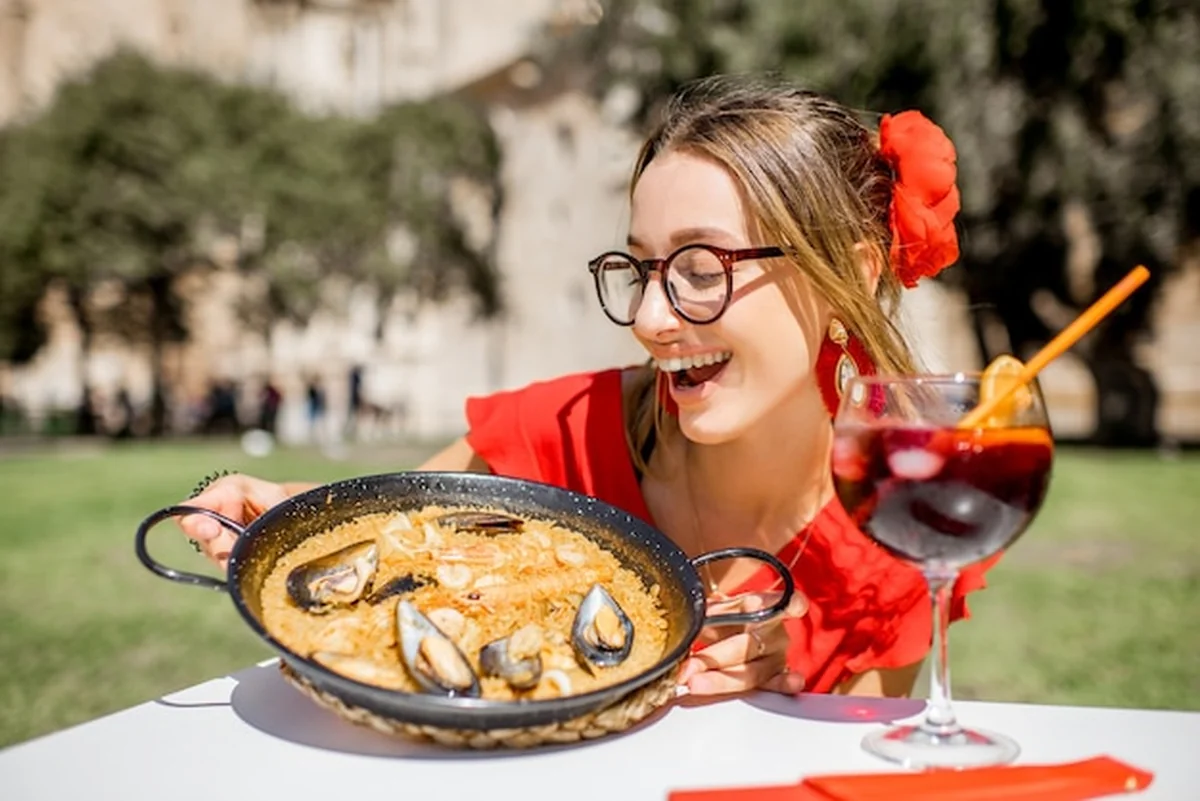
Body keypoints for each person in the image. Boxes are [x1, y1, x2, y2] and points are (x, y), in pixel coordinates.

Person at [178, 74, 988, 701]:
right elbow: (398, 530)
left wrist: (793, 694)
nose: (650, 317)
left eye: (702, 268)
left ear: (849, 272)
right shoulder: (566, 428)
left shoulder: (903, 534)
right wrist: (278, 509)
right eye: (641, 268)